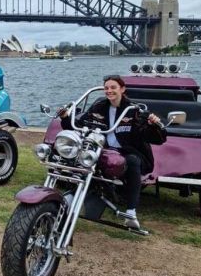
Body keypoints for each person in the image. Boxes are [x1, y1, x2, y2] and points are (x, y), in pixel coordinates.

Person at [60, 74, 166, 229]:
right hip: (104, 151)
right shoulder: (99, 107)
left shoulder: (134, 110)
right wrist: (65, 117)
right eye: (106, 88)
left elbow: (157, 138)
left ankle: (131, 211)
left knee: (133, 162)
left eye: (113, 87)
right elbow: (79, 125)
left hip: (129, 152)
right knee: (84, 158)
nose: (109, 91)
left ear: (122, 89)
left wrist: (153, 124)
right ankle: (71, 197)